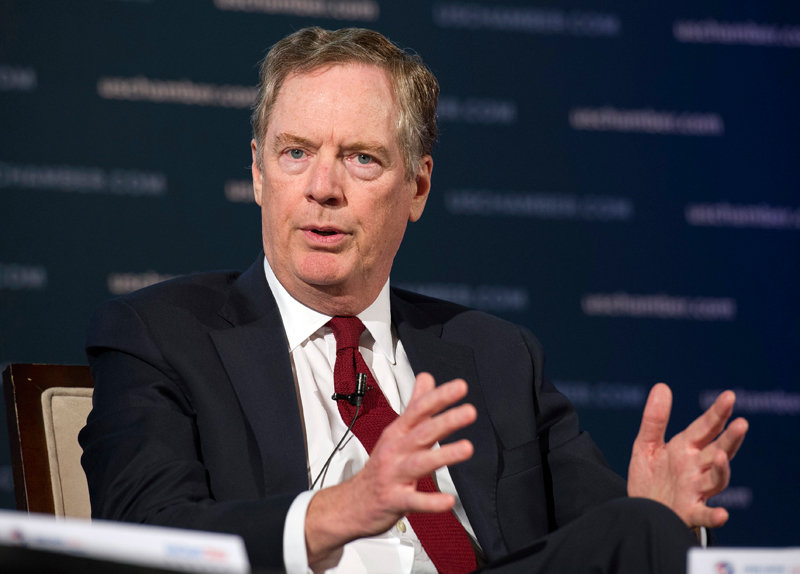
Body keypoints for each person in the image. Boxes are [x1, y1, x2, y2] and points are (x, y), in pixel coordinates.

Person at [79, 27, 748, 574]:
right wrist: (344, 509)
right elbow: (144, 535)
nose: (322, 188)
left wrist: (658, 515)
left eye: (361, 159)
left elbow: (595, 546)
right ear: (258, 172)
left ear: (418, 188)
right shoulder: (161, 334)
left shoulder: (498, 356)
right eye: (296, 153)